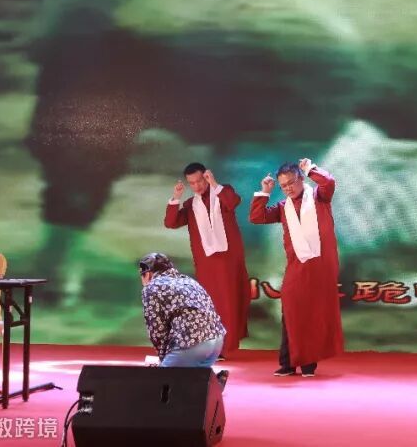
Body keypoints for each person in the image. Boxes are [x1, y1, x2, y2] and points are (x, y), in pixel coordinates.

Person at [250, 159, 344, 378]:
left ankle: (308, 365)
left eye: (291, 182)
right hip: (297, 268)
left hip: (321, 267)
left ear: (301, 179)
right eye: (283, 186)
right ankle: (288, 364)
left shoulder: (319, 198)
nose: (288, 188)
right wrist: (265, 192)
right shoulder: (283, 207)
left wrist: (310, 169)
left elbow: (329, 182)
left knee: (313, 315)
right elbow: (257, 217)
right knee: (291, 312)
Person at [164, 163, 250, 360]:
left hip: (228, 259)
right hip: (205, 262)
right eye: (192, 183)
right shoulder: (190, 205)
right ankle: (212, 346)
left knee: (229, 301)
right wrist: (176, 197)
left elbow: (233, 202)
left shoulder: (223, 192)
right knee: (208, 304)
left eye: (200, 181)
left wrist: (215, 184)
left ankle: (224, 347)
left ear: (207, 176)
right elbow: (171, 223)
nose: (197, 186)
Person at [139, 253, 229, 387]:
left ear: (147, 273)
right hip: (217, 341)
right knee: (187, 379)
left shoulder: (152, 287)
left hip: (191, 345)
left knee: (158, 387)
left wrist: (164, 360)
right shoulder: (189, 281)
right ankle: (209, 384)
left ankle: (207, 384)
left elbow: (157, 330)